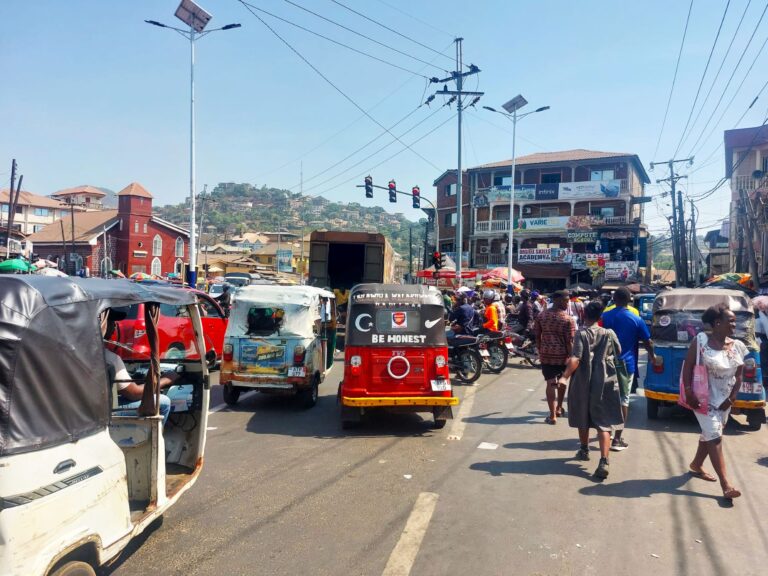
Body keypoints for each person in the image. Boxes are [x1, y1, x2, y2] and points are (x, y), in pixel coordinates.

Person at [683, 304, 746, 500]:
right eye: (731, 321)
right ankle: (726, 484)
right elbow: (688, 366)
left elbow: (740, 375)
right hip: (703, 399)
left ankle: (696, 465)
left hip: (724, 400)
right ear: (717, 323)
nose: (734, 324)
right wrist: (688, 391)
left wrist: (732, 398)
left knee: (710, 434)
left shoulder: (737, 346)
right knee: (715, 437)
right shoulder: (700, 341)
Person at [560, 300, 623, 479]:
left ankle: (584, 449)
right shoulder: (609, 333)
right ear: (600, 317)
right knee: (603, 422)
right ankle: (604, 460)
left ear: (584, 315)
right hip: (606, 381)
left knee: (582, 414)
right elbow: (619, 351)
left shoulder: (581, 334)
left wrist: (564, 377)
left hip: (583, 381)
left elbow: (576, 358)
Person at [601, 287, 655, 451]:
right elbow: (648, 342)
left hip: (605, 363)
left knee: (606, 398)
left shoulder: (604, 316)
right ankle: (617, 439)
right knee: (623, 399)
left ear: (614, 299)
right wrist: (652, 357)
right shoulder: (635, 318)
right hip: (626, 364)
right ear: (629, 300)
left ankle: (606, 432)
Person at [102, 309, 176, 424]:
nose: (114, 327)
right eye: (111, 323)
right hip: (106, 411)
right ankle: (153, 440)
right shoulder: (110, 359)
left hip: (88, 407)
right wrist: (166, 380)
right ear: (103, 325)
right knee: (163, 401)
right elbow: (134, 394)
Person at [533, 290, 576, 424]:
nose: (567, 303)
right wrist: (572, 356)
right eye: (565, 300)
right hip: (563, 356)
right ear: (556, 300)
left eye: (568, 300)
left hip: (547, 355)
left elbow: (537, 335)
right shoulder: (568, 319)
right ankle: (558, 408)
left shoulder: (542, 316)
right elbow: (570, 341)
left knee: (551, 383)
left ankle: (553, 416)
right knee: (562, 382)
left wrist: (540, 349)